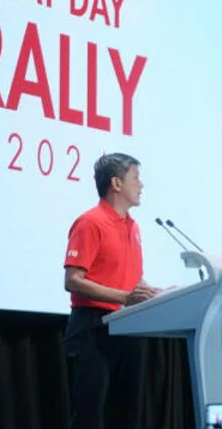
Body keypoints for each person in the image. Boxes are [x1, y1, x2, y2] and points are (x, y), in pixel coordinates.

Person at [63, 152, 159, 429]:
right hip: (93, 329)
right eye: (136, 178)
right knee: (89, 417)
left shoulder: (133, 226)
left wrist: (156, 292)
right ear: (116, 183)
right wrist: (125, 298)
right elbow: (73, 280)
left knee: (127, 416)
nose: (141, 185)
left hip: (129, 329)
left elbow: (131, 278)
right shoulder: (90, 222)